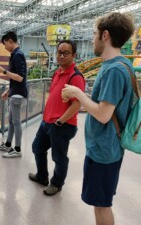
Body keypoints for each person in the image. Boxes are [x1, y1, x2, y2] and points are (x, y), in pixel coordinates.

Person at [62, 12, 135, 225]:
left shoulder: (113, 70)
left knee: (102, 205)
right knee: (100, 202)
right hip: (104, 147)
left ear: (105, 35)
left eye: (94, 34)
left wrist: (77, 93)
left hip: (104, 151)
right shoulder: (119, 65)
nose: (92, 39)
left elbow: (104, 115)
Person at [28, 40, 85, 195]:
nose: (61, 56)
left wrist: (60, 121)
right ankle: (42, 176)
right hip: (47, 122)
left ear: (74, 55)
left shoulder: (75, 77)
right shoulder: (57, 72)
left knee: (59, 158)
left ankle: (57, 183)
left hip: (62, 125)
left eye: (66, 53)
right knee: (37, 148)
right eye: (59, 52)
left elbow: (77, 104)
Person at [0, 31, 28, 158]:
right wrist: (8, 91)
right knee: (12, 121)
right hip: (15, 93)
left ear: (10, 41)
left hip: (18, 95)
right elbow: (17, 79)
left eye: (5, 44)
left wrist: (3, 71)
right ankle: (8, 144)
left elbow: (20, 78)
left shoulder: (18, 55)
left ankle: (17, 149)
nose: (5, 47)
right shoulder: (16, 54)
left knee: (16, 122)